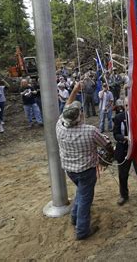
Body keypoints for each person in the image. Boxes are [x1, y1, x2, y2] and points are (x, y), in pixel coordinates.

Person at [56, 82, 111, 240]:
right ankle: (82, 231)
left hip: (69, 169)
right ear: (79, 115)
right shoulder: (90, 131)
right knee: (86, 199)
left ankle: (74, 217)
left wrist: (74, 90)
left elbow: (67, 105)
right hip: (86, 171)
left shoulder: (59, 125)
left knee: (81, 193)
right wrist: (110, 155)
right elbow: (106, 145)